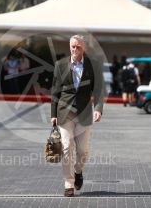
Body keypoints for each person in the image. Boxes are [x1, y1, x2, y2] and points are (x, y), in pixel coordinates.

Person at [51, 35, 105, 197]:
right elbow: (55, 91)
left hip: (84, 112)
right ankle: (69, 183)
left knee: (82, 151)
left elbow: (99, 89)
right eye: (72, 47)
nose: (75, 50)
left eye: (78, 47)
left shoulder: (93, 65)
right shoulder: (60, 65)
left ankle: (78, 171)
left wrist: (98, 108)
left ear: (84, 48)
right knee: (66, 147)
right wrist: (53, 113)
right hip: (64, 112)